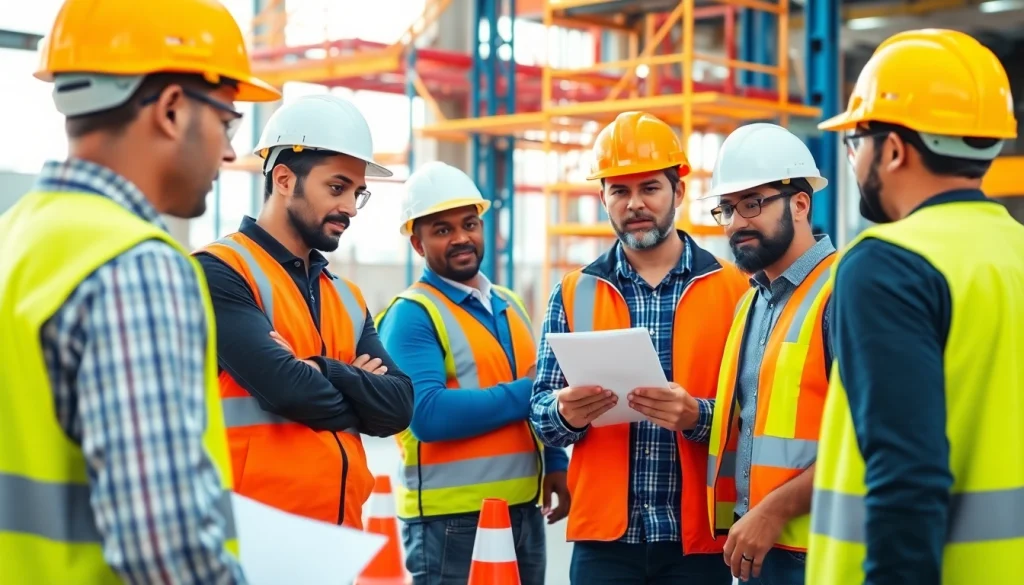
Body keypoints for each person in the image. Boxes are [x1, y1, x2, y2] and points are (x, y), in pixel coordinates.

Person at [0, 0, 281, 582]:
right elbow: (167, 550)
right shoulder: (134, 266)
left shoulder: (16, 238)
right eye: (226, 122)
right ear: (174, 110)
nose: (230, 151)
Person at [806, 28, 1024, 585]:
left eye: (856, 143)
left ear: (895, 149)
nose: (854, 161)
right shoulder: (1014, 250)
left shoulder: (888, 264)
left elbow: (907, 478)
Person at [529, 111, 748, 584]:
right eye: (620, 191)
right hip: (605, 543)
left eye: (649, 187)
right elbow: (541, 415)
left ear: (678, 192)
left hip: (698, 541)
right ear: (603, 198)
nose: (635, 204)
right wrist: (565, 412)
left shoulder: (735, 291)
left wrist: (698, 417)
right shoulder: (572, 293)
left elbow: (756, 412)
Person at [193, 94, 414, 529]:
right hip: (253, 537)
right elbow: (290, 391)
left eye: (358, 193)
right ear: (283, 179)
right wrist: (356, 384)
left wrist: (324, 371)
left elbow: (399, 408)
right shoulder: (219, 271)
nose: (350, 207)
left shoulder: (345, 295)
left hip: (340, 534)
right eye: (337, 188)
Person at [375, 161, 569, 585]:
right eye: (442, 230)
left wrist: (554, 459)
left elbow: (539, 395)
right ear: (417, 243)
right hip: (450, 525)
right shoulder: (412, 315)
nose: (461, 237)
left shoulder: (510, 303)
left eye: (469, 223)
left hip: (523, 511)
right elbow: (427, 414)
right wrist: (533, 391)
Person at [694, 123, 834, 584]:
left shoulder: (843, 292)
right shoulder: (752, 302)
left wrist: (772, 512)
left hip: (816, 552)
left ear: (800, 203)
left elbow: (867, 440)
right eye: (727, 209)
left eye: (752, 203)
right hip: (756, 549)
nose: (736, 223)